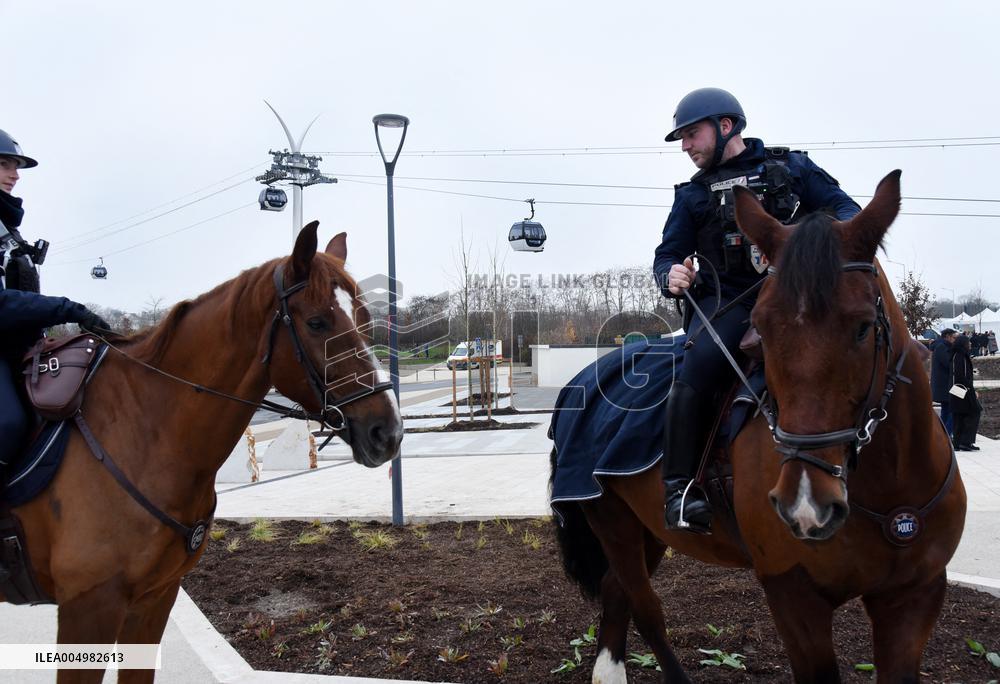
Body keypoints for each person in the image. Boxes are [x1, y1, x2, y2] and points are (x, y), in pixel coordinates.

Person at [653, 88, 862, 533]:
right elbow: (666, 254)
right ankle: (680, 489)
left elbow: (847, 211)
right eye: (683, 139)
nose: (686, 146)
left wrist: (806, 241)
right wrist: (671, 274)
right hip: (726, 304)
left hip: (795, 298)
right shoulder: (691, 197)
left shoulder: (793, 168)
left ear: (725, 126)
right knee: (700, 364)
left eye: (692, 134)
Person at [0, 129, 108, 468]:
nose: (15, 175)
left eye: (16, 166)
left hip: (17, 350)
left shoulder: (7, 229)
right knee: (8, 423)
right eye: (4, 164)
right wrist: (66, 308)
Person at [949, 334, 981, 451]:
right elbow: (961, 375)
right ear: (963, 344)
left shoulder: (958, 355)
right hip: (961, 390)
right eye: (968, 342)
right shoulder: (960, 356)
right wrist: (971, 390)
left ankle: (958, 443)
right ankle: (965, 442)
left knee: (960, 415)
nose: (970, 344)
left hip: (957, 389)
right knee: (974, 412)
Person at [931, 328, 959, 437]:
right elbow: (948, 363)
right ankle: (945, 435)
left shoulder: (942, 346)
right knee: (954, 409)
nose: (955, 340)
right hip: (946, 385)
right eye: (953, 337)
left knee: (946, 410)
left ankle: (941, 434)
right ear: (947, 336)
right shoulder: (942, 347)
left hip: (944, 385)